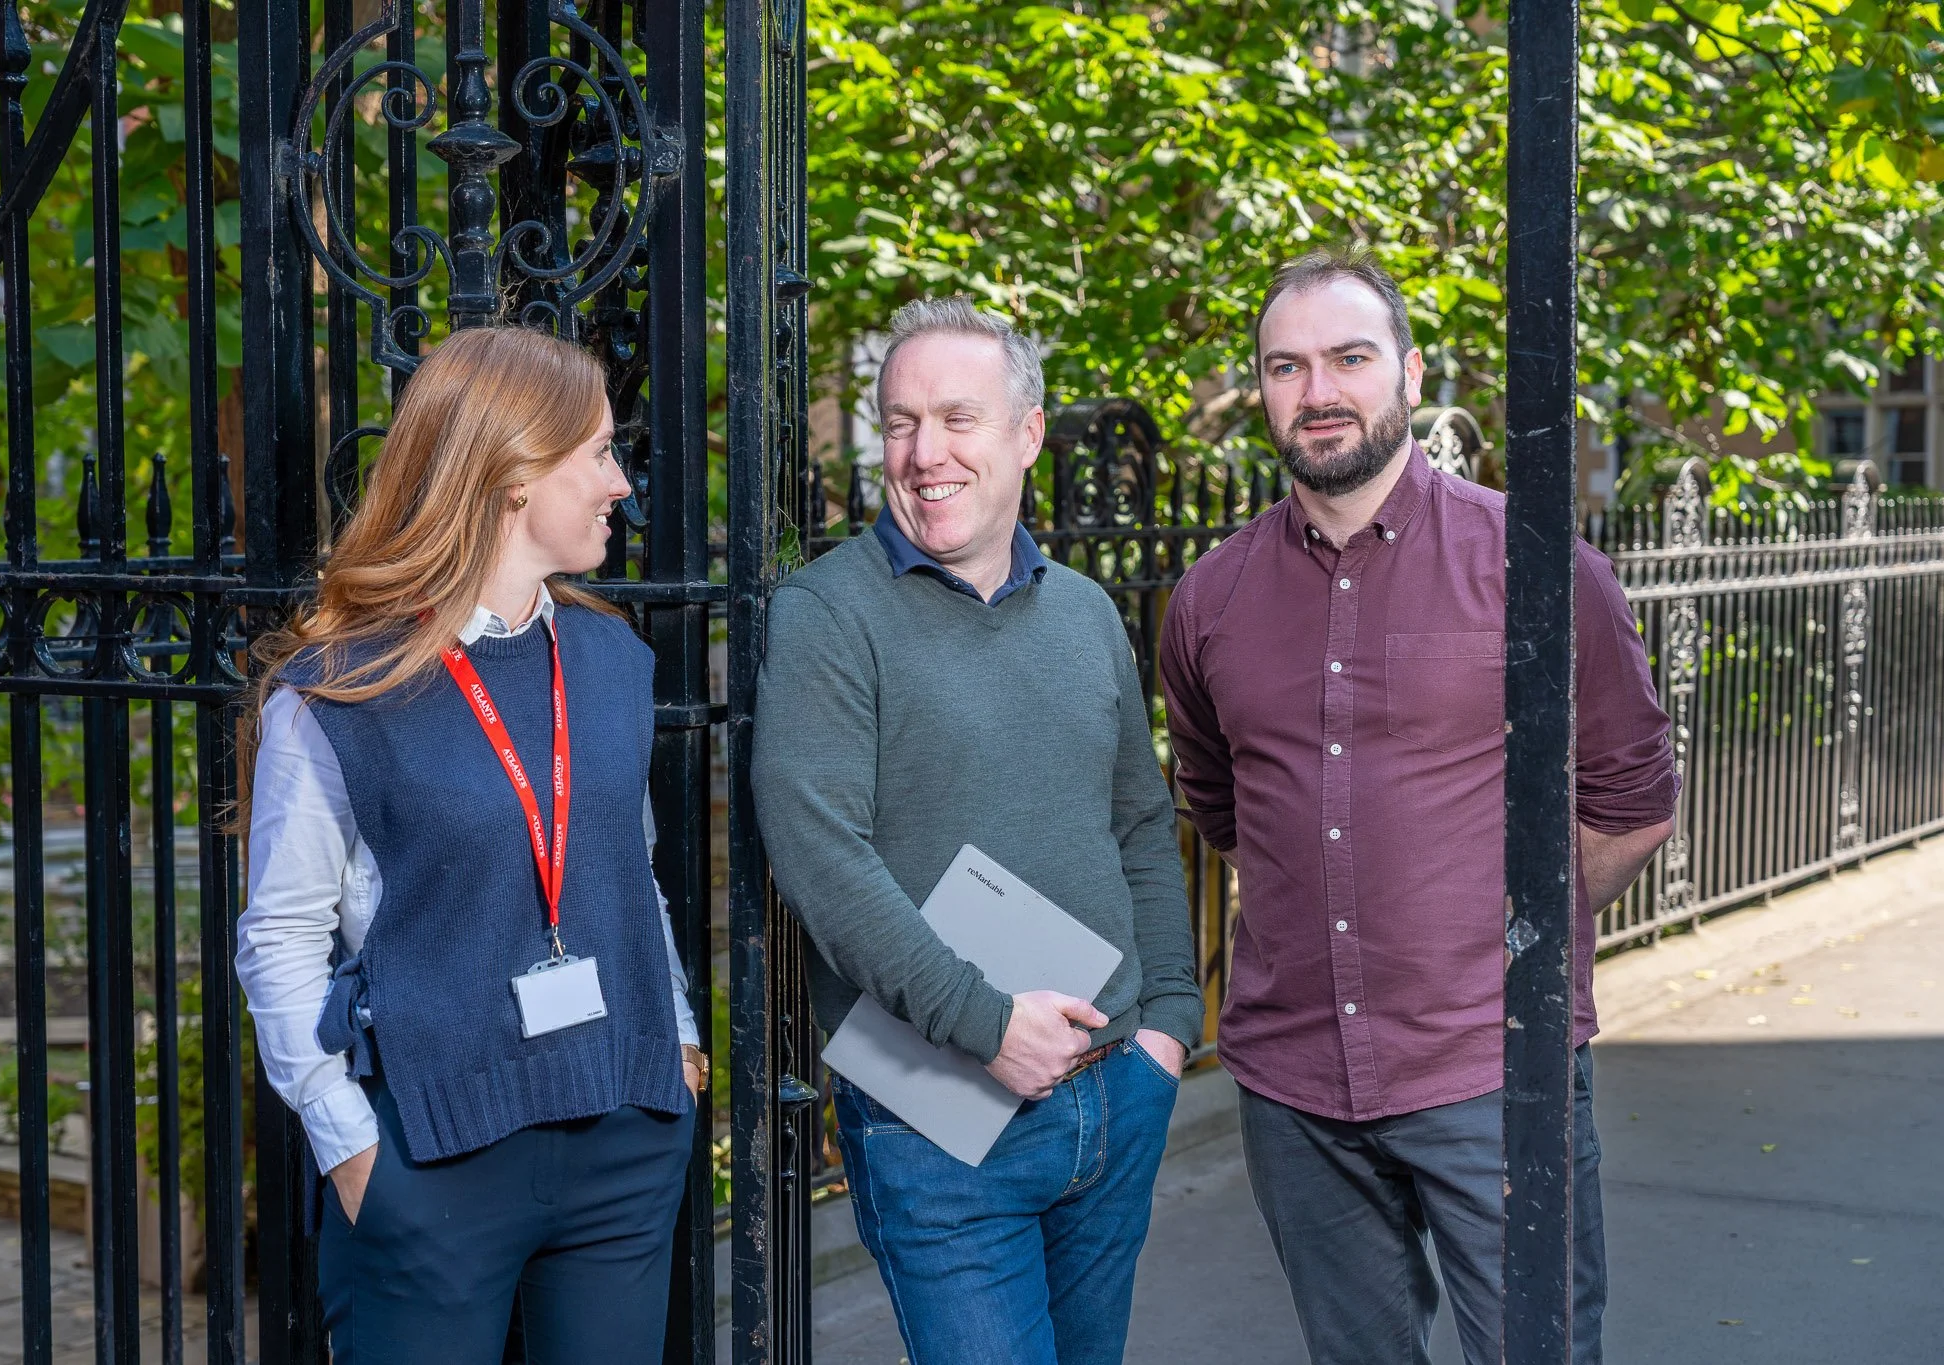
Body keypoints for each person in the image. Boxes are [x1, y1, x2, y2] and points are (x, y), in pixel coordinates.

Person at [1157, 247, 1678, 1365]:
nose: (1318, 391)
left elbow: (1631, 800)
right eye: (1286, 367)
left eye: (1349, 358)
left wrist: (1499, 939)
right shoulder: (1210, 598)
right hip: (1295, 1086)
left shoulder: (1537, 566)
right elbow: (1221, 804)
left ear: (1409, 370)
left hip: (1492, 1069)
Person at [235, 326, 707, 1365]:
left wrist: (673, 1043)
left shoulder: (611, 658)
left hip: (623, 1134)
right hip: (431, 1157)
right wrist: (351, 1148)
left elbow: (629, 872)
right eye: (598, 452)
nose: (621, 484)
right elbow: (279, 940)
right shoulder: (340, 690)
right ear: (512, 474)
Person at [751, 297, 1203, 1365]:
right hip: (934, 1115)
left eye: (958, 418)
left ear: (1028, 432)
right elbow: (820, 856)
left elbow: (1140, 821)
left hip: (1114, 1087)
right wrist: (984, 1021)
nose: (925, 453)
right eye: (901, 423)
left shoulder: (1085, 611)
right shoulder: (826, 614)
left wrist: (1170, 1024)